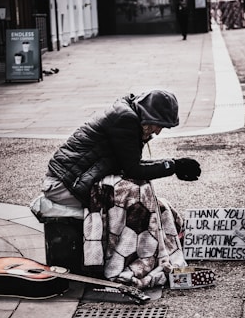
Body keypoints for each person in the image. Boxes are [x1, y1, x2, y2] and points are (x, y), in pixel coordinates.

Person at [41, 90, 201, 288]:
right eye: (159, 125)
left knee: (144, 196)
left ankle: (146, 251)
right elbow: (134, 169)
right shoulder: (125, 120)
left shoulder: (128, 114)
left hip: (72, 179)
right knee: (137, 200)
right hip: (63, 185)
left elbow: (131, 166)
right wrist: (173, 166)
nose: (158, 132)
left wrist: (173, 165)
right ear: (148, 116)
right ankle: (127, 259)